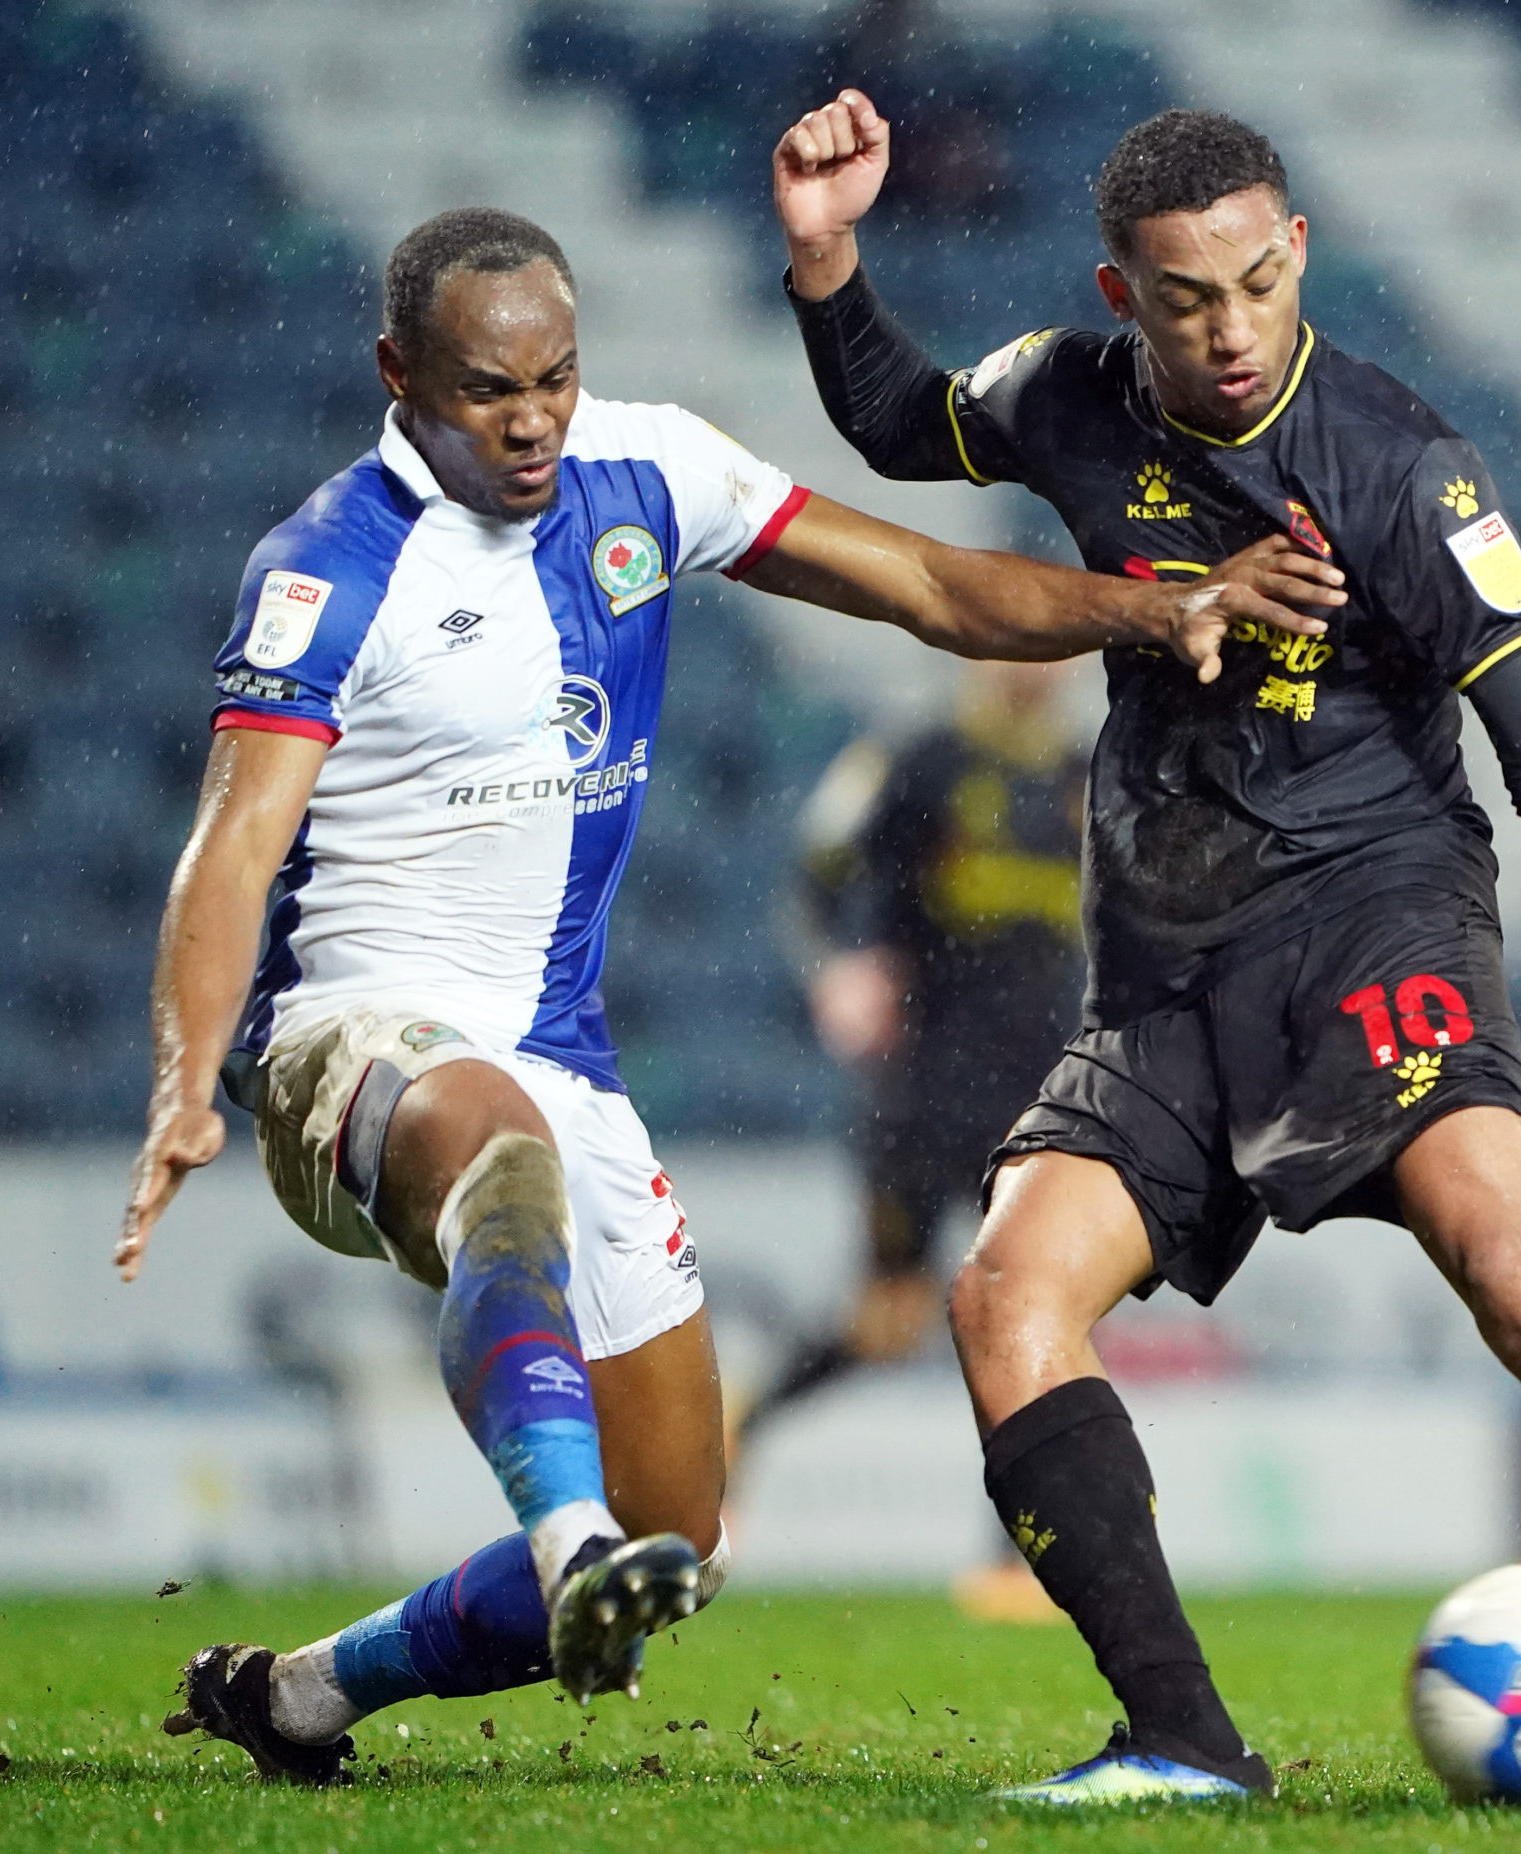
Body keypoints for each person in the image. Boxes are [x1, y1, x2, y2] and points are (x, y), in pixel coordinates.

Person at [116, 205, 1342, 1787]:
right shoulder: (330, 565)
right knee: (501, 1163)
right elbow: (234, 845)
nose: (535, 416)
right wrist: (182, 1074)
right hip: (353, 1036)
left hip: (561, 1061)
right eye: (491, 391)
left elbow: (921, 579)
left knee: (676, 1528)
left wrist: (1156, 603)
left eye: (556, 374)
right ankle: (562, 1542)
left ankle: (305, 1691)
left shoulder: (649, 471)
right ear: (398, 376)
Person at [774, 94, 1521, 1805]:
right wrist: (826, 255)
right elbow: (897, 415)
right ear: (1121, 291)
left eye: (1253, 282)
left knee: (1513, 1258)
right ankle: (1183, 1740)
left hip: (1378, 927)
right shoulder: (1066, 397)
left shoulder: (1400, 465)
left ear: (1296, 250)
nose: (1228, 330)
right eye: (1183, 297)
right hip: (1163, 969)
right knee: (1005, 1291)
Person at [746, 658, 1086, 1621]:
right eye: (1021, 636)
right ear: (985, 647)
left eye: (1056, 639)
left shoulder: (1091, 773)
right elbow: (813, 874)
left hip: (1042, 1084)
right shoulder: (915, 757)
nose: (1040, 661)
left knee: (1032, 1306)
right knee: (889, 1320)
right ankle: (736, 1427)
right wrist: (835, 970)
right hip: (925, 1078)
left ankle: (1016, 1557)